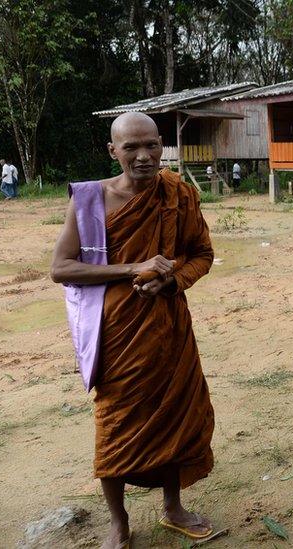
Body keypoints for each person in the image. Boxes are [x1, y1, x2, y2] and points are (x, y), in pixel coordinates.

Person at [49, 112, 216, 548]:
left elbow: (201, 254)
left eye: (152, 146)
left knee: (175, 414)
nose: (144, 157)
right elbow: (60, 267)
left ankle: (173, 507)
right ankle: (118, 522)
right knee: (115, 424)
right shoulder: (90, 200)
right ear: (113, 151)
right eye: (131, 148)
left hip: (170, 328)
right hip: (116, 335)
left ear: (162, 146)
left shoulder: (178, 193)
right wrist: (130, 269)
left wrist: (172, 279)